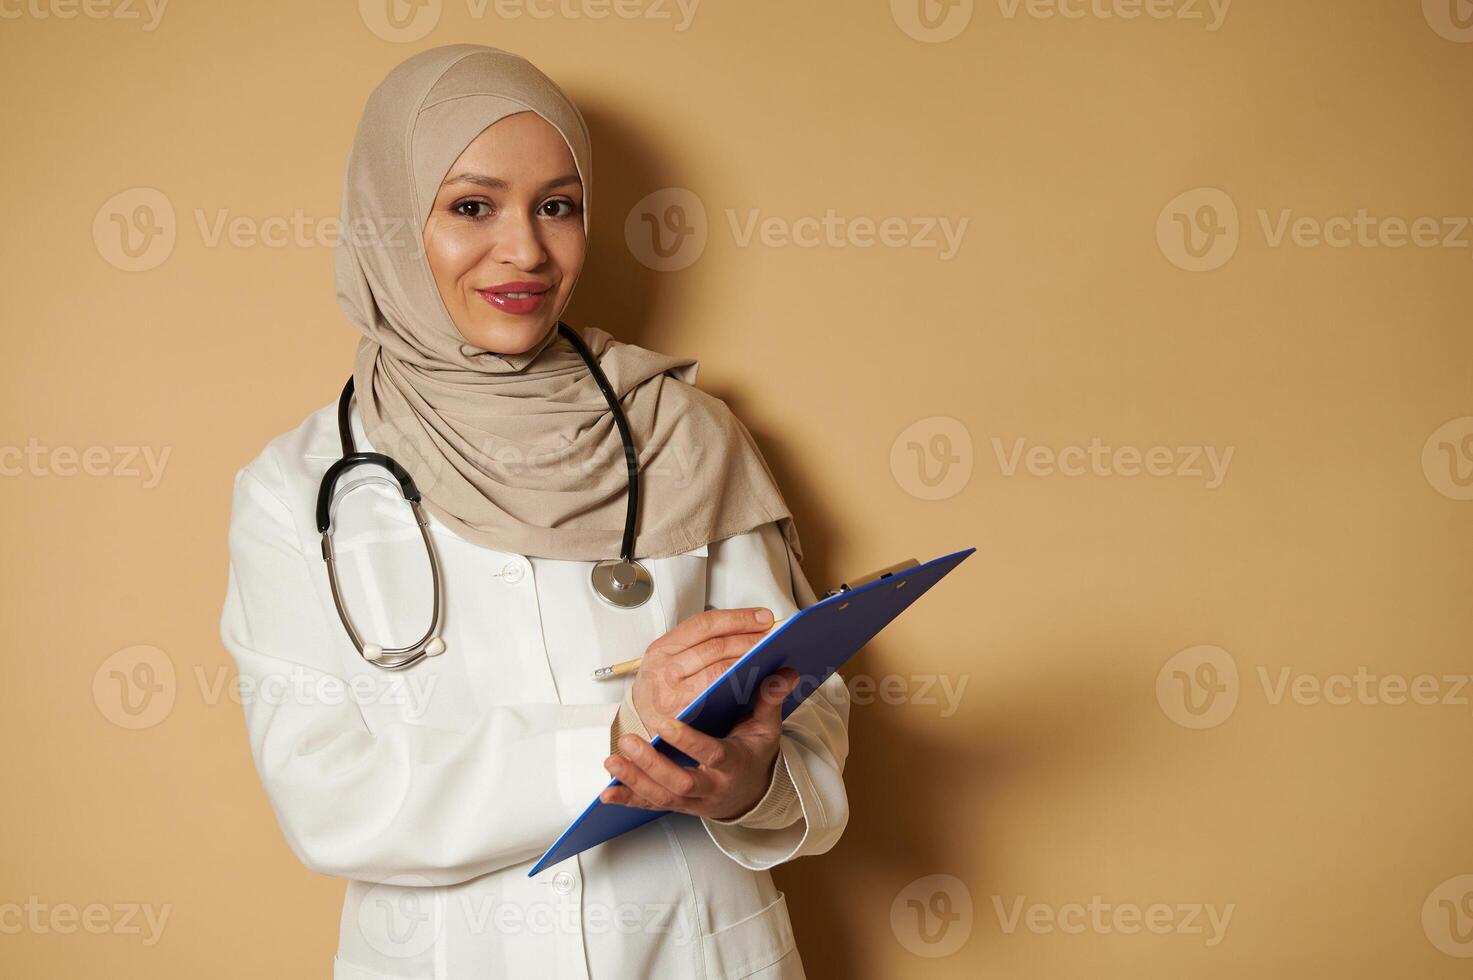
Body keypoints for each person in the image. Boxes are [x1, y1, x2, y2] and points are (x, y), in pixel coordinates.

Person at [219, 43, 850, 979]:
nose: (525, 250)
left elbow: (807, 714)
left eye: (557, 205)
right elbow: (328, 798)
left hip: (695, 948)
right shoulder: (295, 486)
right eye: (471, 206)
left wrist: (748, 780)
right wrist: (614, 742)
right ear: (392, 221)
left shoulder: (685, 436)